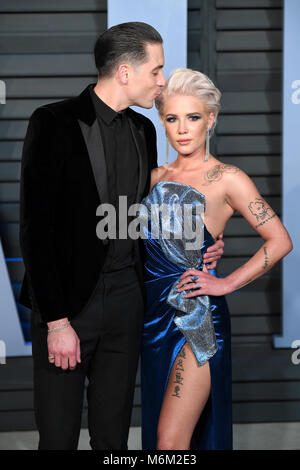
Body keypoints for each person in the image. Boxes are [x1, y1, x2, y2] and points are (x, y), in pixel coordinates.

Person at [18, 23, 224, 450]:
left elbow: (143, 220)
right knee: (57, 439)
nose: (162, 81)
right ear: (126, 73)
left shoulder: (144, 131)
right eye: (157, 70)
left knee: (112, 441)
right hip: (69, 309)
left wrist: (200, 242)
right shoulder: (53, 122)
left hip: (129, 305)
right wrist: (57, 322)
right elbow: (35, 230)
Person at [140, 68, 293, 450]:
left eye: (193, 117)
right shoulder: (152, 177)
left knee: (169, 442)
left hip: (197, 321)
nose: (182, 129)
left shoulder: (227, 178)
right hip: (151, 319)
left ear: (211, 118)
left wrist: (225, 283)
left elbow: (280, 240)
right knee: (171, 438)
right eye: (172, 118)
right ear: (162, 120)